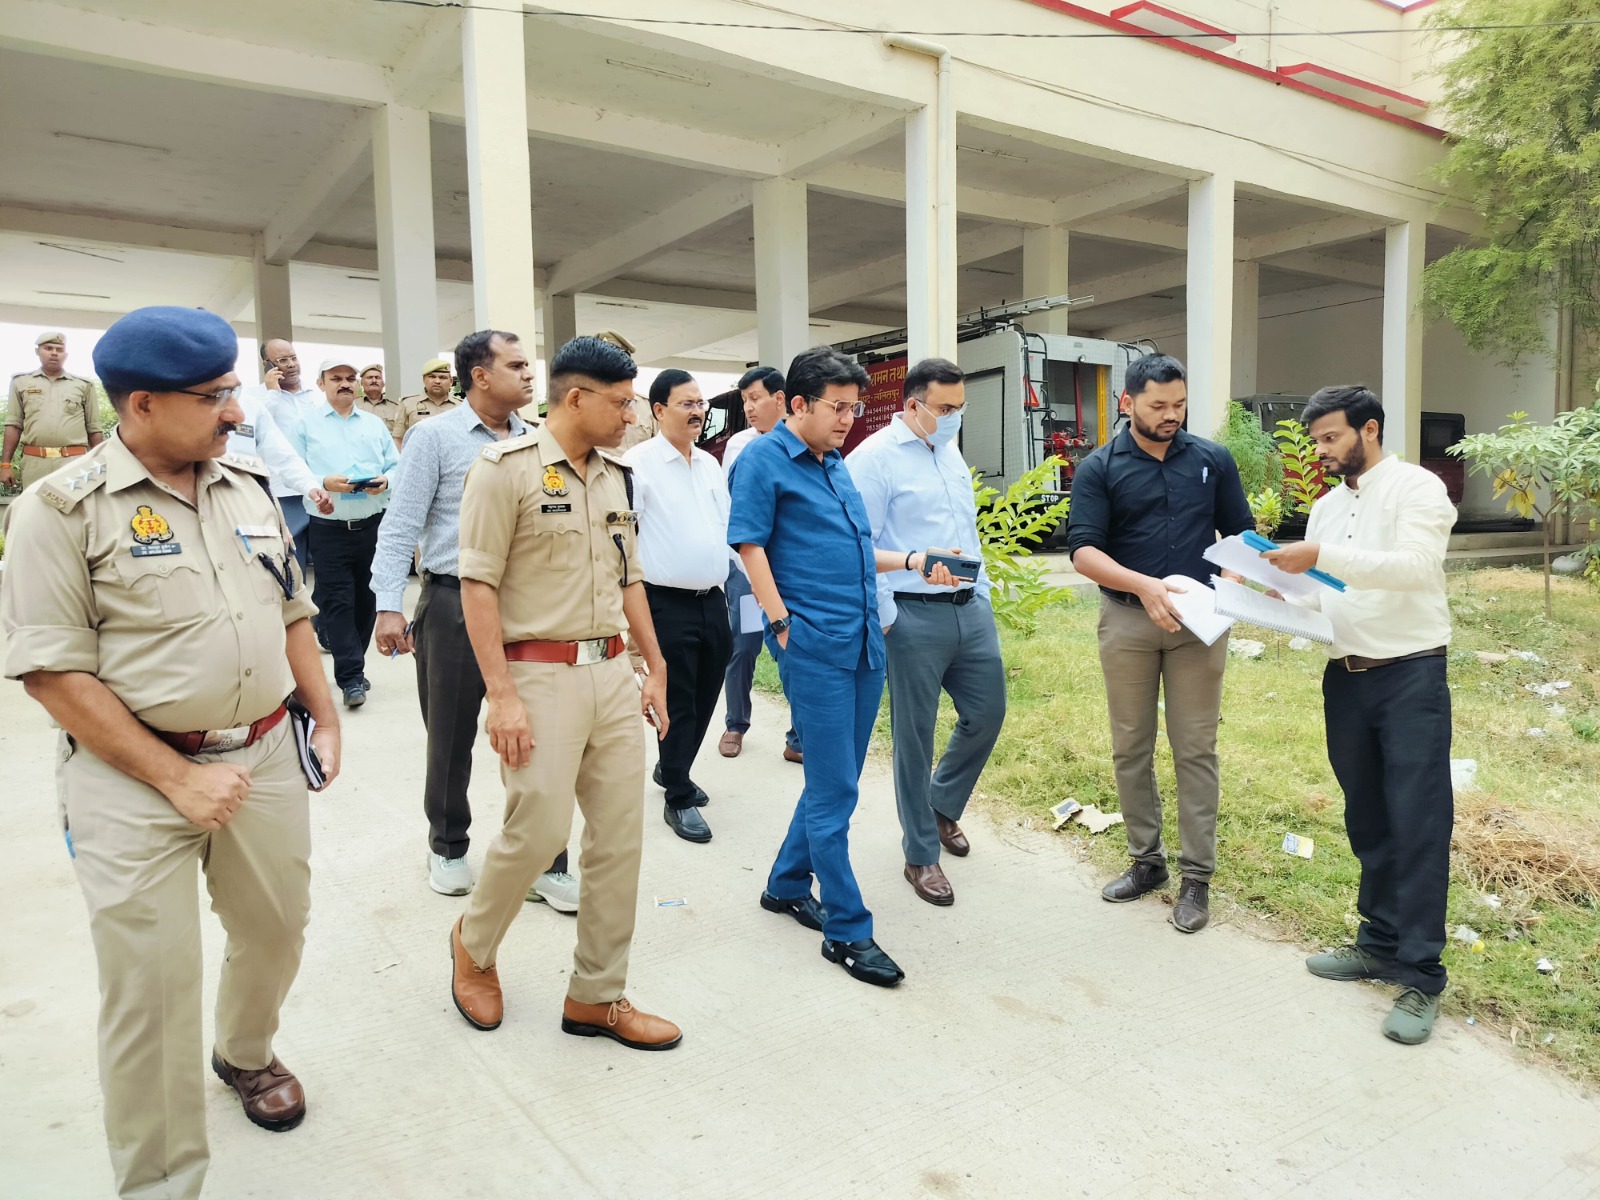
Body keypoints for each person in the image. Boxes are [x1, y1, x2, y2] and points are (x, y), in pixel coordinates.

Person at [0, 306, 341, 1200]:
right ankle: (160, 1183)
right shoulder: (59, 509)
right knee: (150, 989)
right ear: (142, 404)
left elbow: (292, 607)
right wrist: (177, 778)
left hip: (264, 755)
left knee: (277, 929)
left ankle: (245, 1054)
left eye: (234, 390)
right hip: (129, 776)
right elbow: (51, 673)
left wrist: (323, 712)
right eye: (214, 396)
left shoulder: (247, 485)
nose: (236, 411)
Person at [448, 335, 680, 1050]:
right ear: (576, 398)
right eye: (621, 403)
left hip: (611, 672)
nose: (632, 416)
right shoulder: (504, 471)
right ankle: (474, 945)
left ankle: (596, 996)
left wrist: (654, 665)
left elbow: (630, 578)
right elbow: (476, 586)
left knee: (618, 840)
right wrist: (502, 695)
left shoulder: (614, 475)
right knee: (540, 831)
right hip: (538, 674)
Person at [729, 345, 958, 988]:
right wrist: (781, 624)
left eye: (855, 409)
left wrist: (911, 560)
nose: (849, 420)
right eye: (838, 407)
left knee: (837, 781)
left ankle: (785, 884)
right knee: (835, 794)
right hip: (816, 648)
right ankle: (848, 929)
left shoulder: (833, 464)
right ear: (798, 404)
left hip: (863, 644)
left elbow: (858, 549)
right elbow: (749, 545)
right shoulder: (764, 460)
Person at [1261, 386, 1457, 1045]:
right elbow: (1327, 597)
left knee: (1418, 823)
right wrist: (1273, 597)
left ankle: (1421, 975)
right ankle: (1377, 943)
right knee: (1367, 817)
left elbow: (1415, 568)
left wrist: (1319, 557)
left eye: (1331, 438)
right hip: (1345, 678)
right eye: (1316, 440)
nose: (1321, 450)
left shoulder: (1416, 488)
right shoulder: (1325, 508)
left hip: (1410, 676)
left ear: (1369, 429)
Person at [371, 329, 579, 909]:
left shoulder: (540, 440)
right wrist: (388, 604)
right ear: (480, 376)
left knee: (541, 737)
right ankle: (447, 845)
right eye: (516, 365)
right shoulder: (433, 437)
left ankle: (543, 860)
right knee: (451, 733)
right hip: (452, 603)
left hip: (530, 609)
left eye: (529, 365)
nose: (530, 374)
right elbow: (401, 525)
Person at [1065, 353, 1252, 934]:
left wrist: (1236, 579)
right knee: (1131, 745)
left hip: (1198, 625)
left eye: (1180, 404)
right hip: (1128, 622)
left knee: (1195, 748)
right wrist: (1143, 586)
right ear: (1128, 403)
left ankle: (1197, 878)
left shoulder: (1212, 460)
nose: (1172, 415)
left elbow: (1240, 532)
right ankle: (1146, 862)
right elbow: (1083, 551)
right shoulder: (1099, 468)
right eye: (1158, 406)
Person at [849, 357, 1006, 907]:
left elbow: (967, 533)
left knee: (987, 713)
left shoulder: (948, 452)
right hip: (911, 613)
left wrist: (982, 595)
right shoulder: (874, 459)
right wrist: (889, 615)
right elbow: (859, 545)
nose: (954, 417)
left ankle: (941, 806)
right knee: (914, 738)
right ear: (912, 404)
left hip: (970, 607)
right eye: (944, 408)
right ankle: (920, 853)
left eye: (960, 408)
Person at [623, 369, 732, 844]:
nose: (698, 412)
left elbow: (725, 528)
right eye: (687, 403)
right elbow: (626, 541)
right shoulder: (638, 464)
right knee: (678, 697)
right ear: (659, 410)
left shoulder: (709, 464)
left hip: (714, 600)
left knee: (707, 692)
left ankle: (674, 766)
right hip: (665, 601)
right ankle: (678, 795)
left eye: (701, 403)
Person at [288, 358, 398, 708]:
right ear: (321, 384)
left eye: (351, 378)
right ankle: (350, 676)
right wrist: (322, 481)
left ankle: (354, 664)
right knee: (338, 601)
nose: (345, 383)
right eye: (336, 378)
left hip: (371, 525)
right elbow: (292, 469)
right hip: (328, 528)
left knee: (367, 599)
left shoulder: (374, 425)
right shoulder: (305, 424)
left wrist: (386, 481)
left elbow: (397, 466)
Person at [718, 364, 801, 763]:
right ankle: (735, 724)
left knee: (792, 649)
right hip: (746, 572)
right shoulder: (739, 445)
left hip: (785, 574)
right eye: (745, 400)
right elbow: (729, 509)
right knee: (744, 646)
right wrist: (737, 564)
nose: (749, 408)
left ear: (780, 399)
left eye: (755, 399)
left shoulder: (800, 443)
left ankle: (798, 738)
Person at [250, 338, 323, 571]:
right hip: (282, 489)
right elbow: (255, 431)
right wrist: (273, 392)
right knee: (291, 559)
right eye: (282, 360)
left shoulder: (315, 396)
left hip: (318, 487)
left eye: (293, 358)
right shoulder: (255, 398)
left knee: (325, 558)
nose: (291, 365)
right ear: (267, 364)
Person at [3, 331, 105, 492]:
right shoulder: (21, 382)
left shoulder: (83, 385)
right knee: (35, 505)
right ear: (37, 351)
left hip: (74, 462)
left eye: (59, 350)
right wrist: (5, 465)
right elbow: (14, 425)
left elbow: (94, 429)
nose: (54, 353)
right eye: (48, 348)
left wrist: (101, 465)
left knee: (75, 506)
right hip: (35, 463)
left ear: (66, 355)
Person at [395, 358, 461, 443]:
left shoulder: (461, 406)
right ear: (424, 379)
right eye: (432, 377)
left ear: (451, 381)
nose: (437, 381)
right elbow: (398, 438)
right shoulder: (407, 404)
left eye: (442, 377)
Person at [357, 363, 403, 448]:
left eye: (377, 378)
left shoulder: (396, 407)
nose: (374, 380)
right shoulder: (352, 406)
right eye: (369, 377)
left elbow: (400, 437)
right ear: (361, 383)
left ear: (383, 383)